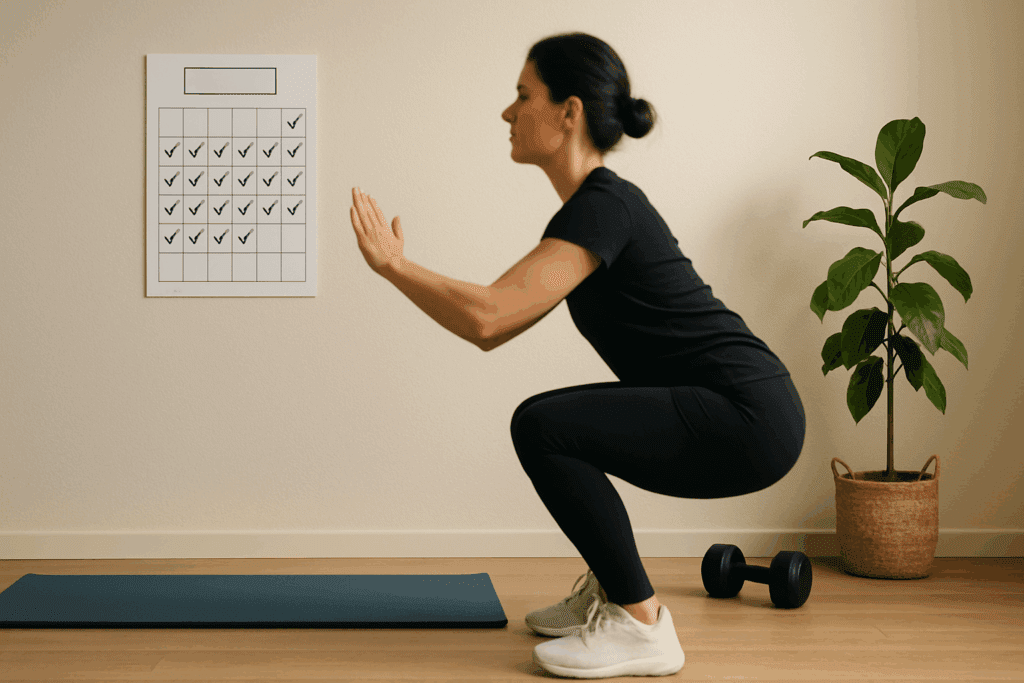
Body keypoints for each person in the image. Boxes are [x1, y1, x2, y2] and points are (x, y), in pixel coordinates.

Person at [350, 31, 805, 680]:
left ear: (569, 112)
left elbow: (489, 314)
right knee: (559, 423)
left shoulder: (604, 206)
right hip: (746, 410)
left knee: (543, 424)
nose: (507, 113)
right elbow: (492, 328)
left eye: (522, 95)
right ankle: (610, 590)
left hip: (748, 413)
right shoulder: (594, 210)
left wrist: (396, 267)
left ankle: (640, 623)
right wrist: (398, 271)